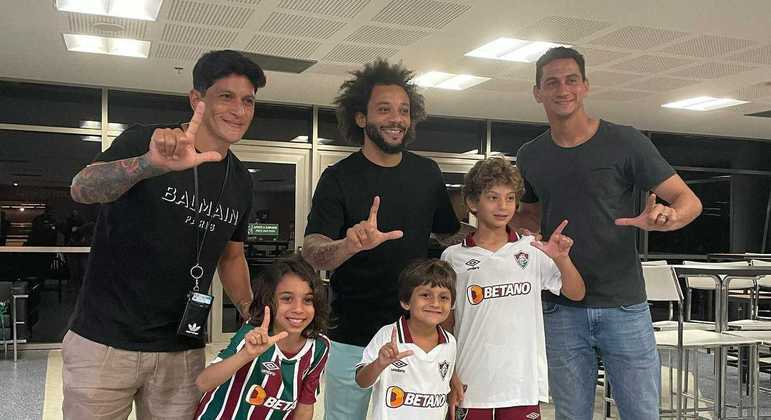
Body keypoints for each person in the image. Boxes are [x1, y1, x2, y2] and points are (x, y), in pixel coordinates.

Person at [64, 50, 266, 420]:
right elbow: (82, 188)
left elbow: (231, 256)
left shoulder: (239, 181)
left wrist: (249, 311)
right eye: (226, 96)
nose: (239, 110)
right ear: (197, 99)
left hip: (181, 349)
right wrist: (147, 165)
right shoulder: (147, 141)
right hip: (103, 341)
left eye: (248, 101)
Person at [512, 47, 703, 420]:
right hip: (561, 308)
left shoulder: (625, 142)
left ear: (585, 86)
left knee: (642, 413)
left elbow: (688, 201)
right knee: (572, 415)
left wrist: (666, 218)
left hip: (623, 305)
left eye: (571, 80)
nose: (561, 89)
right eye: (551, 82)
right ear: (537, 92)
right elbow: (531, 216)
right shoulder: (530, 155)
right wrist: (498, 224)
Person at [301, 59, 464, 419]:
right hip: (353, 337)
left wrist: (506, 233)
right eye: (384, 109)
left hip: (419, 335)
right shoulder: (338, 178)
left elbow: (452, 233)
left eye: (404, 110)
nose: (397, 119)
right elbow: (313, 252)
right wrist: (349, 244)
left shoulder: (427, 173)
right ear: (361, 117)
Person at [442, 157, 585, 420]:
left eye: (510, 198)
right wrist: (450, 372)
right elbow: (447, 323)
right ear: (473, 202)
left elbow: (576, 292)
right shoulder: (452, 257)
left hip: (521, 386)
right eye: (493, 197)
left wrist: (562, 259)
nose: (503, 206)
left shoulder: (531, 249)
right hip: (470, 385)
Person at [194, 256, 330, 420]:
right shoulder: (253, 333)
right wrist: (246, 355)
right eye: (287, 298)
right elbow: (203, 383)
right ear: (269, 300)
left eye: (308, 300)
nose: (298, 309)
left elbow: (305, 406)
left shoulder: (319, 347)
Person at [355, 259, 457, 420]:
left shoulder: (450, 342)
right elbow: (361, 381)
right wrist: (379, 364)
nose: (436, 303)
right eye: (426, 295)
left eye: (444, 297)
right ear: (405, 301)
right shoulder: (388, 335)